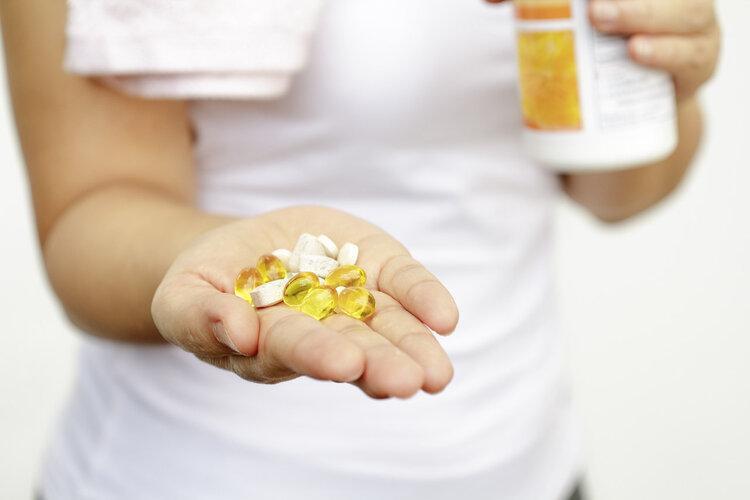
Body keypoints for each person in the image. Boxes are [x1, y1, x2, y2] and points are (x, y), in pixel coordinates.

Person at [1, 0, 719, 499]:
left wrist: (658, 75)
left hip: (527, 468)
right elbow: (88, 217)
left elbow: (619, 193)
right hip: (198, 476)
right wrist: (220, 266)